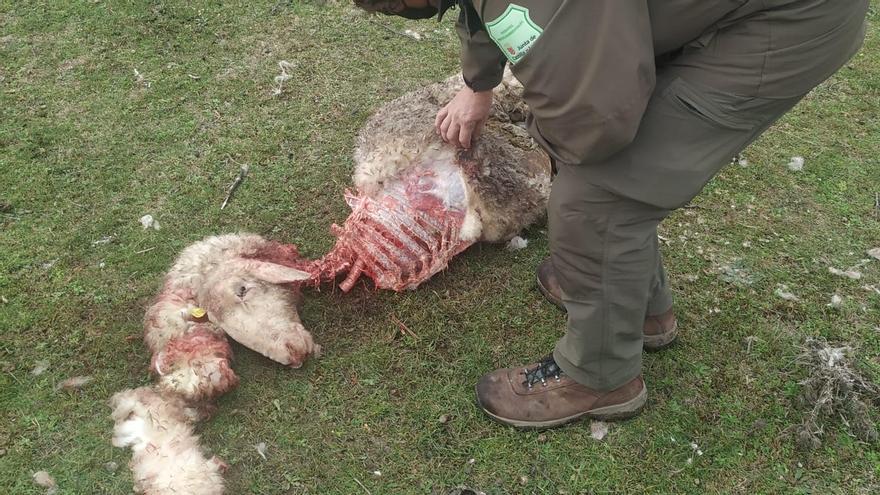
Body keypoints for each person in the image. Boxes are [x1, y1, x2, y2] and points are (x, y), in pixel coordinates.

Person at [353, 0, 870, 429]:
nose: (400, 14)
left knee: (595, 201)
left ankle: (600, 374)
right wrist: (478, 81)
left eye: (399, 6)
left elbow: (598, 118)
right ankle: (640, 310)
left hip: (782, 22)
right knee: (601, 189)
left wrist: (552, 152)